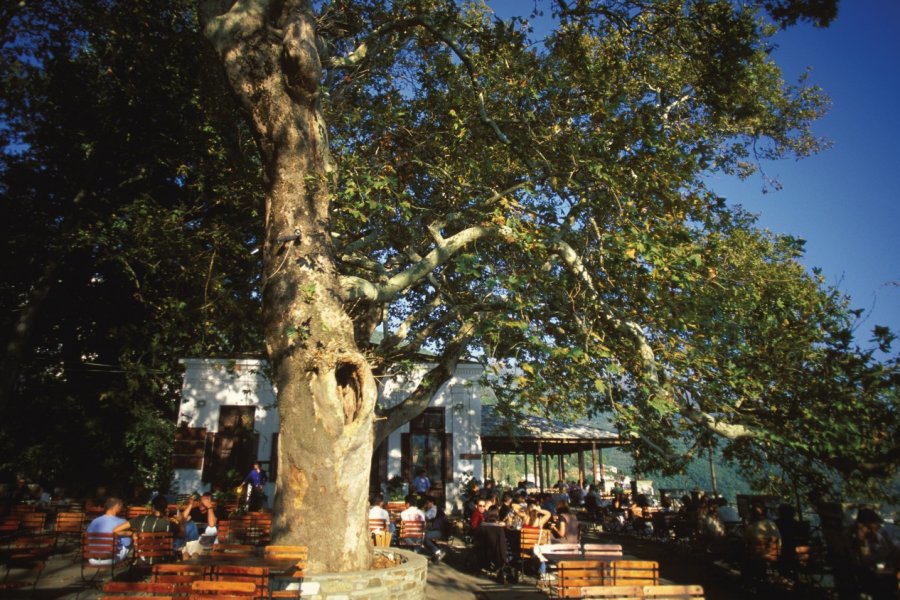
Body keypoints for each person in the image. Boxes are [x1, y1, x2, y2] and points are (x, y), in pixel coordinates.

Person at [113, 494, 185, 561]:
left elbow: (115, 530)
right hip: (163, 560)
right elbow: (182, 535)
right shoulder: (169, 524)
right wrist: (181, 522)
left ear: (153, 507)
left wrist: (132, 533)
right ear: (165, 509)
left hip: (143, 560)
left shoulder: (139, 520)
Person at [849, 507, 899, 599]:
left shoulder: (879, 536)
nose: (875, 529)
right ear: (862, 525)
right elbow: (866, 560)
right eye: (871, 526)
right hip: (871, 580)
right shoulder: (859, 540)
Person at [85, 497, 131, 564]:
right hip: (110, 559)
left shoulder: (94, 522)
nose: (122, 508)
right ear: (116, 506)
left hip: (92, 559)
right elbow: (127, 543)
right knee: (130, 540)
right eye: (121, 506)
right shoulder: (122, 522)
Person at [399, 494, 444, 562]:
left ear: (408, 504)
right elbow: (424, 526)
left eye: (405, 503)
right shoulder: (422, 513)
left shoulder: (403, 513)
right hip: (419, 539)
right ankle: (416, 551)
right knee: (422, 534)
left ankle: (411, 553)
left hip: (407, 538)